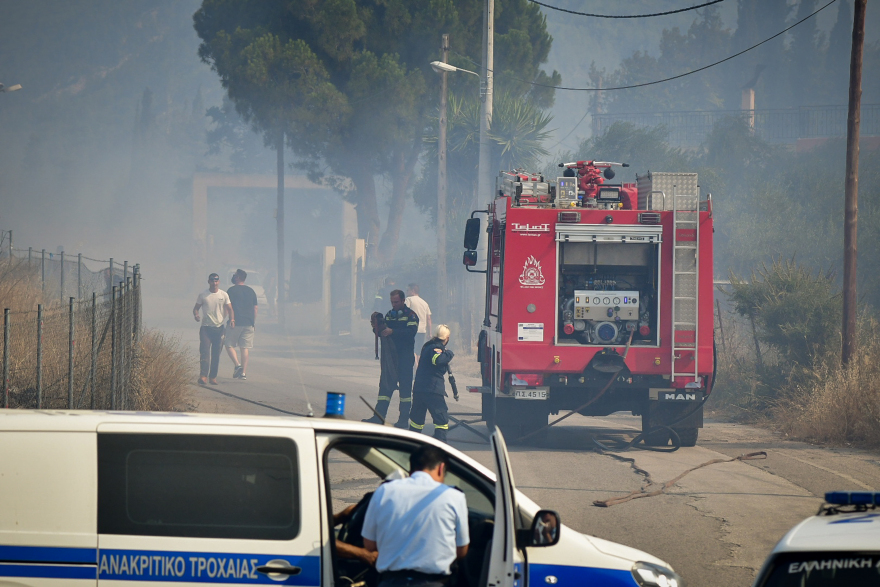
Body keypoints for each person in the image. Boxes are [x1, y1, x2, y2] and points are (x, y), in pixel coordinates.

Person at [361, 445, 469, 587]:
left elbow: (369, 545)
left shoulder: (384, 490)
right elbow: (461, 550)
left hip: (390, 582)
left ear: (411, 467)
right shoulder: (454, 496)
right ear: (441, 468)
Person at [364, 290, 418, 428]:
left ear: (403, 300)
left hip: (405, 358)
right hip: (390, 358)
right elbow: (382, 332)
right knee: (385, 388)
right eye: (392, 302)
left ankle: (403, 420)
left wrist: (393, 331)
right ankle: (378, 417)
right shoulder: (389, 315)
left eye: (396, 302)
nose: (394, 305)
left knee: (405, 392)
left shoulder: (411, 316)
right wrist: (376, 326)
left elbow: (410, 333)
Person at [408, 325, 454, 443]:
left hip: (419, 389)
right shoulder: (436, 348)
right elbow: (437, 360)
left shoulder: (428, 346)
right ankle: (440, 446)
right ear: (447, 338)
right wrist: (449, 354)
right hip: (432, 390)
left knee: (416, 421)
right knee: (442, 420)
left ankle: (411, 445)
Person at [193, 272, 234, 386]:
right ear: (209, 281)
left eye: (216, 280)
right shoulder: (203, 295)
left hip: (219, 328)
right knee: (205, 352)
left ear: (219, 282)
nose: (214, 283)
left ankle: (213, 377)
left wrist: (232, 320)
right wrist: (196, 315)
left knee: (216, 354)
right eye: (212, 280)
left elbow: (230, 308)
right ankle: (203, 376)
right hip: (206, 328)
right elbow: (196, 308)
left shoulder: (224, 295)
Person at [225, 269, 258, 380]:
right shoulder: (251, 291)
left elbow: (229, 307)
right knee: (244, 347)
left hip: (235, 322)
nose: (233, 277)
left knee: (229, 344)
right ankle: (243, 373)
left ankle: (237, 365)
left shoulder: (231, 290)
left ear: (238, 277)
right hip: (249, 323)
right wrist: (253, 321)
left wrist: (229, 319)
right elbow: (255, 308)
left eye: (235, 275)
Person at [404, 283, 432, 362]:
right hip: (422, 330)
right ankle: (418, 368)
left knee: (411, 350)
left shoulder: (408, 300)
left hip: (411, 330)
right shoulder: (424, 303)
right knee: (418, 351)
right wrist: (429, 333)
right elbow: (429, 319)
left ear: (413, 291)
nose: (406, 292)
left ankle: (415, 369)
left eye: (408, 290)